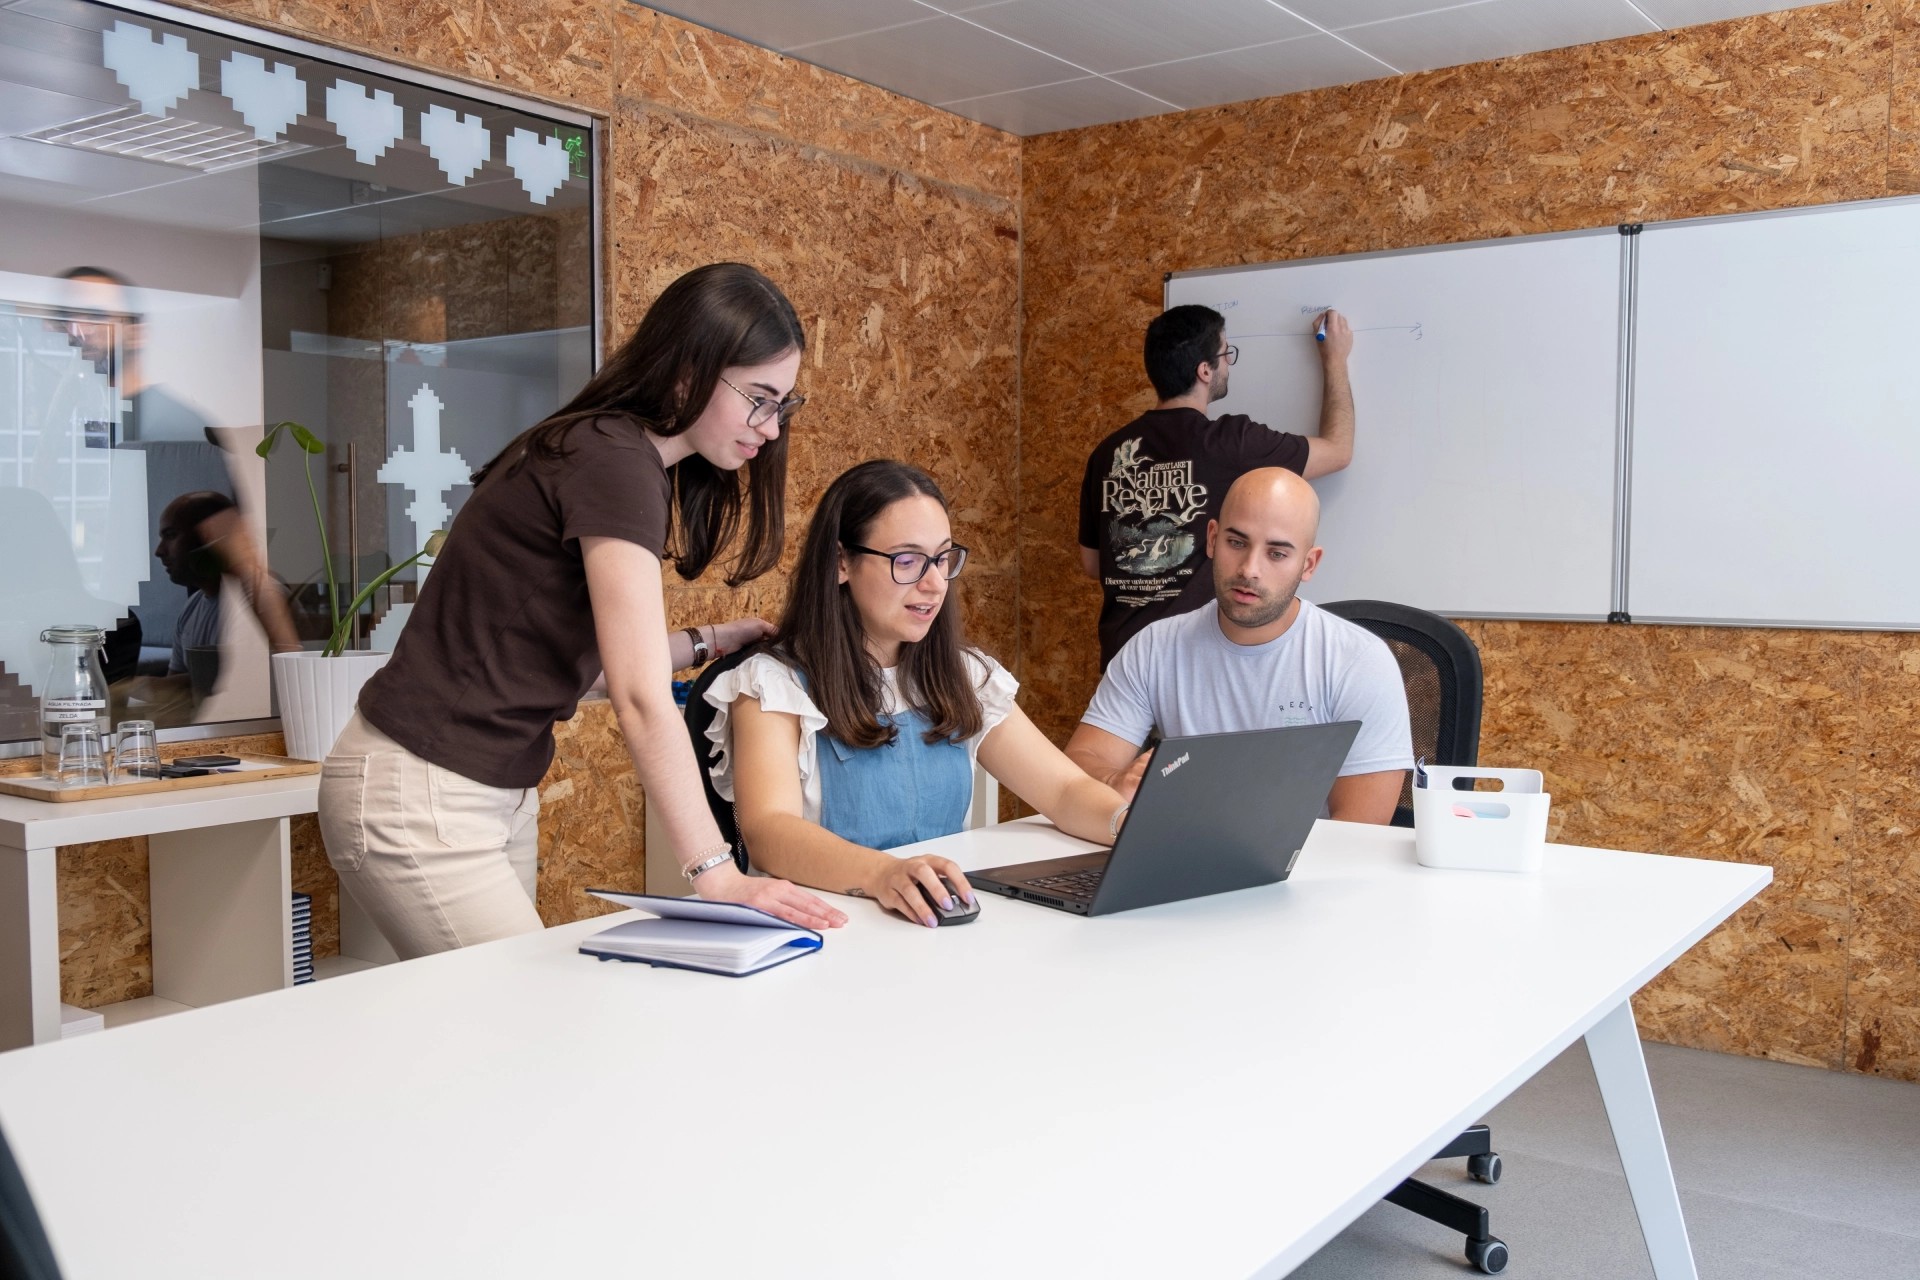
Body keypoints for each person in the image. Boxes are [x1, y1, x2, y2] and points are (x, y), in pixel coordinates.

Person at [318, 263, 847, 959]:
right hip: (424, 793)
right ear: (690, 371)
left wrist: (713, 639)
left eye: (783, 405)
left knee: (482, 1043)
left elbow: (584, 672)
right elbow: (635, 694)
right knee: (517, 1033)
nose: (771, 428)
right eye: (758, 398)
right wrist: (715, 872)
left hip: (477, 793)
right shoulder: (614, 462)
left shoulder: (611, 452)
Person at [706, 460, 1130, 928]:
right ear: (841, 562)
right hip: (826, 934)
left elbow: (1065, 789)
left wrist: (1127, 825)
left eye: (942, 559)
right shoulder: (772, 683)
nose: (934, 584)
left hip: (932, 928)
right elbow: (769, 831)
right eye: (907, 561)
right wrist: (884, 873)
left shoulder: (967, 676)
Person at [1066, 468, 1412, 825]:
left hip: (1307, 870)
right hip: (1186, 859)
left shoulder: (1359, 662)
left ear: (1308, 564)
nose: (1250, 569)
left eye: (1277, 554)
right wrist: (1113, 780)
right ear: (1212, 538)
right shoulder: (1154, 648)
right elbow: (1080, 763)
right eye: (1237, 542)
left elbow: (1359, 832)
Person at [1079, 303, 1356, 668]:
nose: (1228, 363)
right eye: (1226, 354)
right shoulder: (1233, 443)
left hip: (1122, 661)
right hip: (1194, 664)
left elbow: (1093, 562)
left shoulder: (1108, 452)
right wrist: (1335, 358)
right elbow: (1338, 450)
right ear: (1205, 370)